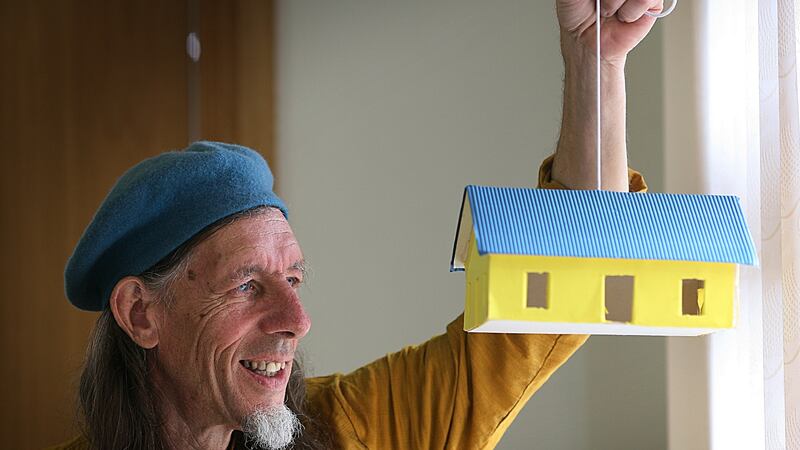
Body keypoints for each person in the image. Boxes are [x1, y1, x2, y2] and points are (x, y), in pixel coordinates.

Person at [50, 1, 658, 448]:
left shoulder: (353, 428)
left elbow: (566, 282)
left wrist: (594, 60)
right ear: (140, 313)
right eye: (245, 285)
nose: (297, 320)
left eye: (295, 278)